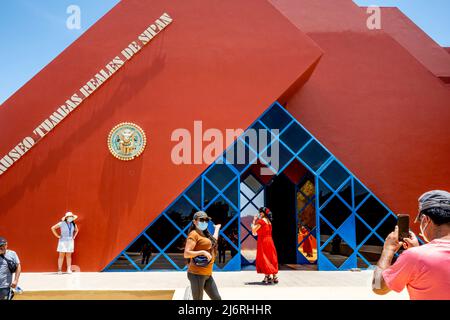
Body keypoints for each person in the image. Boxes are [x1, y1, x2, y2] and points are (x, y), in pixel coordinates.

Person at [372, 190, 450, 300]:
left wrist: (387, 250)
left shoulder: (414, 256)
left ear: (426, 219)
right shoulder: (417, 256)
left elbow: (378, 287)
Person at [184, 211, 222, 300]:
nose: (204, 222)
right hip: (196, 274)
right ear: (194, 221)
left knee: (217, 298)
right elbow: (186, 253)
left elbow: (214, 241)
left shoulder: (205, 234)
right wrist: (202, 252)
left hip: (207, 274)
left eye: (206, 220)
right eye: (201, 220)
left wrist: (217, 229)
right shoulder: (194, 234)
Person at [252, 207, 279, 284]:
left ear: (264, 213)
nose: (259, 213)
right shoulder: (269, 222)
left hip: (263, 241)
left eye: (260, 212)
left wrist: (254, 221)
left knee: (264, 257)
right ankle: (274, 276)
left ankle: (267, 277)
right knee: (271, 257)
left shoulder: (261, 221)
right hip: (270, 240)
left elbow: (254, 230)